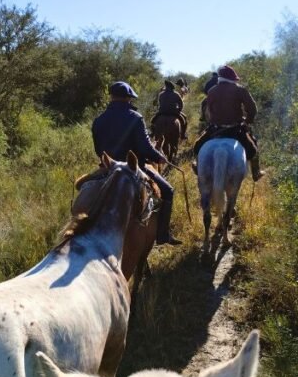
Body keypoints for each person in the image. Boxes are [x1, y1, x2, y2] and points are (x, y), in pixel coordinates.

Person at [92, 81, 181, 246]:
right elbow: (145, 147)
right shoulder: (135, 117)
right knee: (168, 191)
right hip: (134, 167)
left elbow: (98, 150)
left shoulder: (99, 120)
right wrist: (159, 157)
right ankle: (162, 234)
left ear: (111, 97)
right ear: (129, 98)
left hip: (108, 167)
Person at [191, 65, 263, 181]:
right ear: (233, 78)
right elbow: (252, 109)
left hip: (215, 129)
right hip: (236, 129)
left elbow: (209, 111)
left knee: (197, 146)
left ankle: (197, 166)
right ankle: (256, 172)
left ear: (220, 78)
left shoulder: (211, 91)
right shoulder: (240, 89)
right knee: (253, 148)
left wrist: (214, 121)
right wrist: (247, 121)